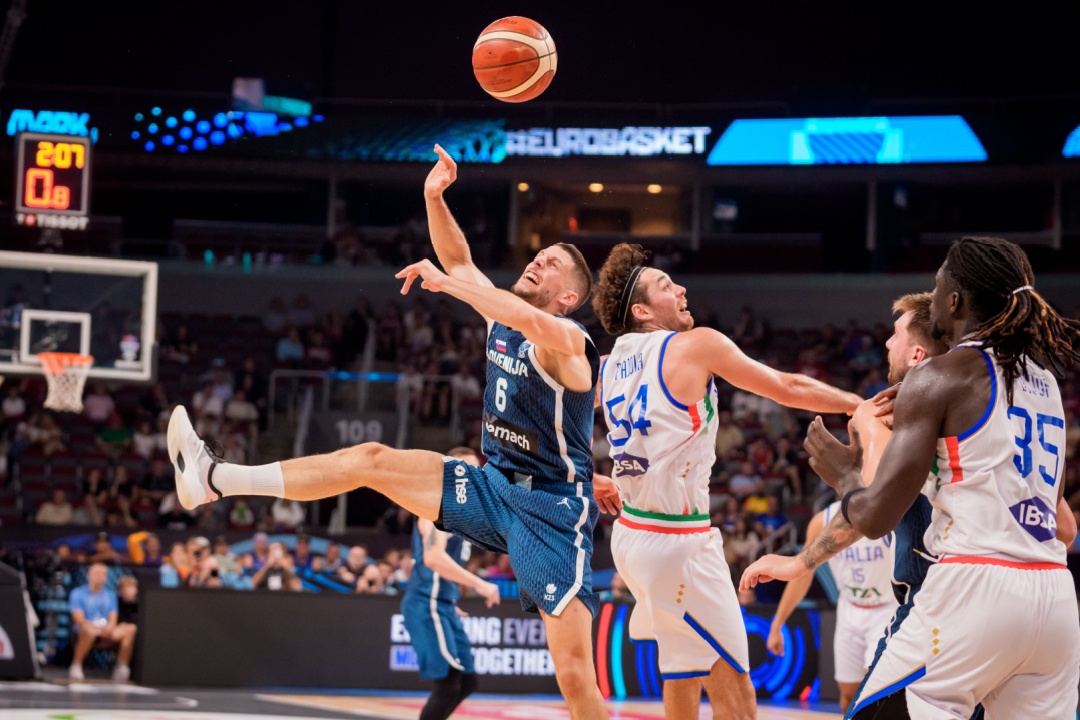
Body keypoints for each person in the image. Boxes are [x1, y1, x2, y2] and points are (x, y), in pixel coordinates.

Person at [168, 144, 617, 718]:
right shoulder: (502, 315)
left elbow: (518, 314)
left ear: (569, 297)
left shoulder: (571, 343)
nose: (539, 260)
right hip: (493, 485)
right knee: (370, 458)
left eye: (553, 263)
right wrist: (434, 197)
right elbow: (458, 261)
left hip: (552, 514)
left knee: (576, 678)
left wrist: (451, 285)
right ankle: (214, 478)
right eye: (541, 253)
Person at [801, 237, 1080, 718]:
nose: (931, 299)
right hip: (1055, 595)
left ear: (954, 301)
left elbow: (875, 516)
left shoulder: (940, 376)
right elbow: (1060, 520)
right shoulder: (1046, 381)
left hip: (976, 586)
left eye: (936, 288)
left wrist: (845, 475)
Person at [591, 242, 862, 720]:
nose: (680, 288)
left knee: (682, 668)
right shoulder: (696, 345)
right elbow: (787, 386)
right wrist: (854, 404)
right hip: (677, 542)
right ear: (642, 310)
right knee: (738, 697)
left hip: (631, 537)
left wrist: (583, 473)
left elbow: (552, 420)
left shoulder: (609, 365)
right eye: (664, 286)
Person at [752, 293, 943, 712]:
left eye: (895, 336)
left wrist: (846, 475)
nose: (887, 344)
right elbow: (1066, 528)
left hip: (945, 599)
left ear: (916, 352)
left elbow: (870, 515)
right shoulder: (996, 400)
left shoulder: (894, 416)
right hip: (1043, 591)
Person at [402, 446, 501, 720]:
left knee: (468, 682)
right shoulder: (435, 503)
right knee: (448, 685)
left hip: (442, 603)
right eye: (462, 468)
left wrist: (450, 596)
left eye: (474, 469)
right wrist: (480, 585)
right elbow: (433, 558)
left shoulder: (462, 511)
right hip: (426, 602)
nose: (469, 474)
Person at [68, 562, 136, 681]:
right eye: (97, 573)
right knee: (89, 631)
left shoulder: (110, 595)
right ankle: (76, 664)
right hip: (86, 629)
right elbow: (79, 619)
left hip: (106, 629)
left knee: (130, 629)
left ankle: (122, 666)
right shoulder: (77, 593)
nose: (101, 576)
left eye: (104, 574)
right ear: (89, 575)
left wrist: (109, 627)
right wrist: (96, 628)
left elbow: (113, 617)